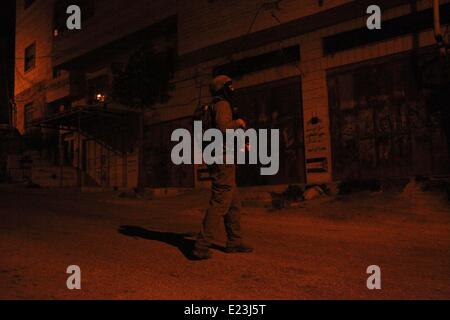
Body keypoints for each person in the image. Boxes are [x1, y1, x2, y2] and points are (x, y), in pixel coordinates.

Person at [192, 75, 253, 260]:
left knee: (233, 202)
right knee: (220, 200)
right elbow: (224, 129)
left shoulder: (212, 106)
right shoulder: (222, 105)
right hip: (222, 158)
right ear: (222, 88)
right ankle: (201, 245)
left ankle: (234, 240)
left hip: (218, 156)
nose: (232, 88)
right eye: (229, 85)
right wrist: (239, 123)